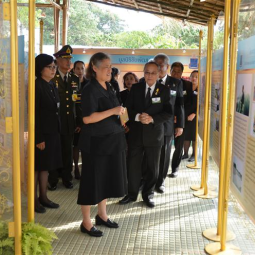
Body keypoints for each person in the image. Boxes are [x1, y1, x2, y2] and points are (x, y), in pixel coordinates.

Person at [77, 52, 127, 237]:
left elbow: (114, 111)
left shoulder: (109, 85)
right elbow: (88, 119)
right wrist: (113, 110)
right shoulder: (89, 89)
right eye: (105, 66)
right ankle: (86, 222)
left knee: (105, 179)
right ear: (95, 68)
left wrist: (121, 116)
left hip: (112, 140)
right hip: (95, 143)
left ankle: (102, 215)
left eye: (110, 66)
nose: (109, 69)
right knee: (92, 182)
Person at [119, 61, 172, 208]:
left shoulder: (163, 90)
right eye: (147, 72)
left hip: (155, 135)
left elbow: (168, 112)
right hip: (136, 134)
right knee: (133, 166)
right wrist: (138, 117)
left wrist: (152, 119)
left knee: (152, 168)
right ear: (143, 72)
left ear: (158, 74)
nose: (150, 75)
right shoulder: (136, 88)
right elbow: (127, 108)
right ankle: (131, 194)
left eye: (153, 73)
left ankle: (148, 194)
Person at [48, 45, 80, 190]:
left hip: (69, 121)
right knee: (55, 151)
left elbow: (77, 101)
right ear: (58, 60)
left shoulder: (74, 78)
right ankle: (53, 179)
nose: (68, 62)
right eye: (65, 59)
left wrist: (78, 121)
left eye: (69, 59)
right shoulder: (51, 77)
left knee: (68, 151)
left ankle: (67, 178)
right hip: (55, 121)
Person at [153, 54, 184, 193]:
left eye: (161, 65)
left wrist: (180, 125)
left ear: (167, 66)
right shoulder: (148, 80)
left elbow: (179, 105)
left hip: (168, 125)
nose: (159, 67)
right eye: (156, 64)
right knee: (150, 154)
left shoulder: (175, 83)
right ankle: (148, 180)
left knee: (165, 154)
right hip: (150, 125)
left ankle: (160, 181)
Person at [35, 54, 62, 213]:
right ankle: (34, 201)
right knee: (37, 168)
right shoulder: (37, 85)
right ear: (40, 68)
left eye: (54, 67)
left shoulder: (51, 85)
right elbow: (35, 114)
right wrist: (39, 137)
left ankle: (43, 197)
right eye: (50, 67)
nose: (53, 70)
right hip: (42, 134)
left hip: (53, 132)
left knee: (46, 167)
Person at [168, 62, 193, 178]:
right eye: (174, 71)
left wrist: (180, 116)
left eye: (178, 72)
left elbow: (188, 104)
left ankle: (175, 169)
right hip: (166, 120)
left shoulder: (187, 85)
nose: (176, 74)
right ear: (170, 71)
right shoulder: (164, 83)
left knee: (178, 146)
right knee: (166, 146)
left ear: (182, 73)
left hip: (182, 121)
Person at [72, 61, 89, 179]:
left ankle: (85, 169)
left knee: (85, 146)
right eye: (77, 68)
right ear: (73, 70)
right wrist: (77, 123)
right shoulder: (71, 82)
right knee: (76, 146)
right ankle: (76, 169)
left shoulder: (89, 84)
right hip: (74, 119)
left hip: (87, 120)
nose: (79, 71)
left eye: (81, 68)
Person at [183, 70, 198, 162]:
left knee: (194, 136)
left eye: (196, 76)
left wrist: (195, 113)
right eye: (192, 76)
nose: (194, 78)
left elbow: (203, 104)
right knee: (186, 135)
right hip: (185, 115)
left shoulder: (202, 89)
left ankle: (194, 154)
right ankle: (185, 154)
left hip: (196, 116)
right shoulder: (186, 87)